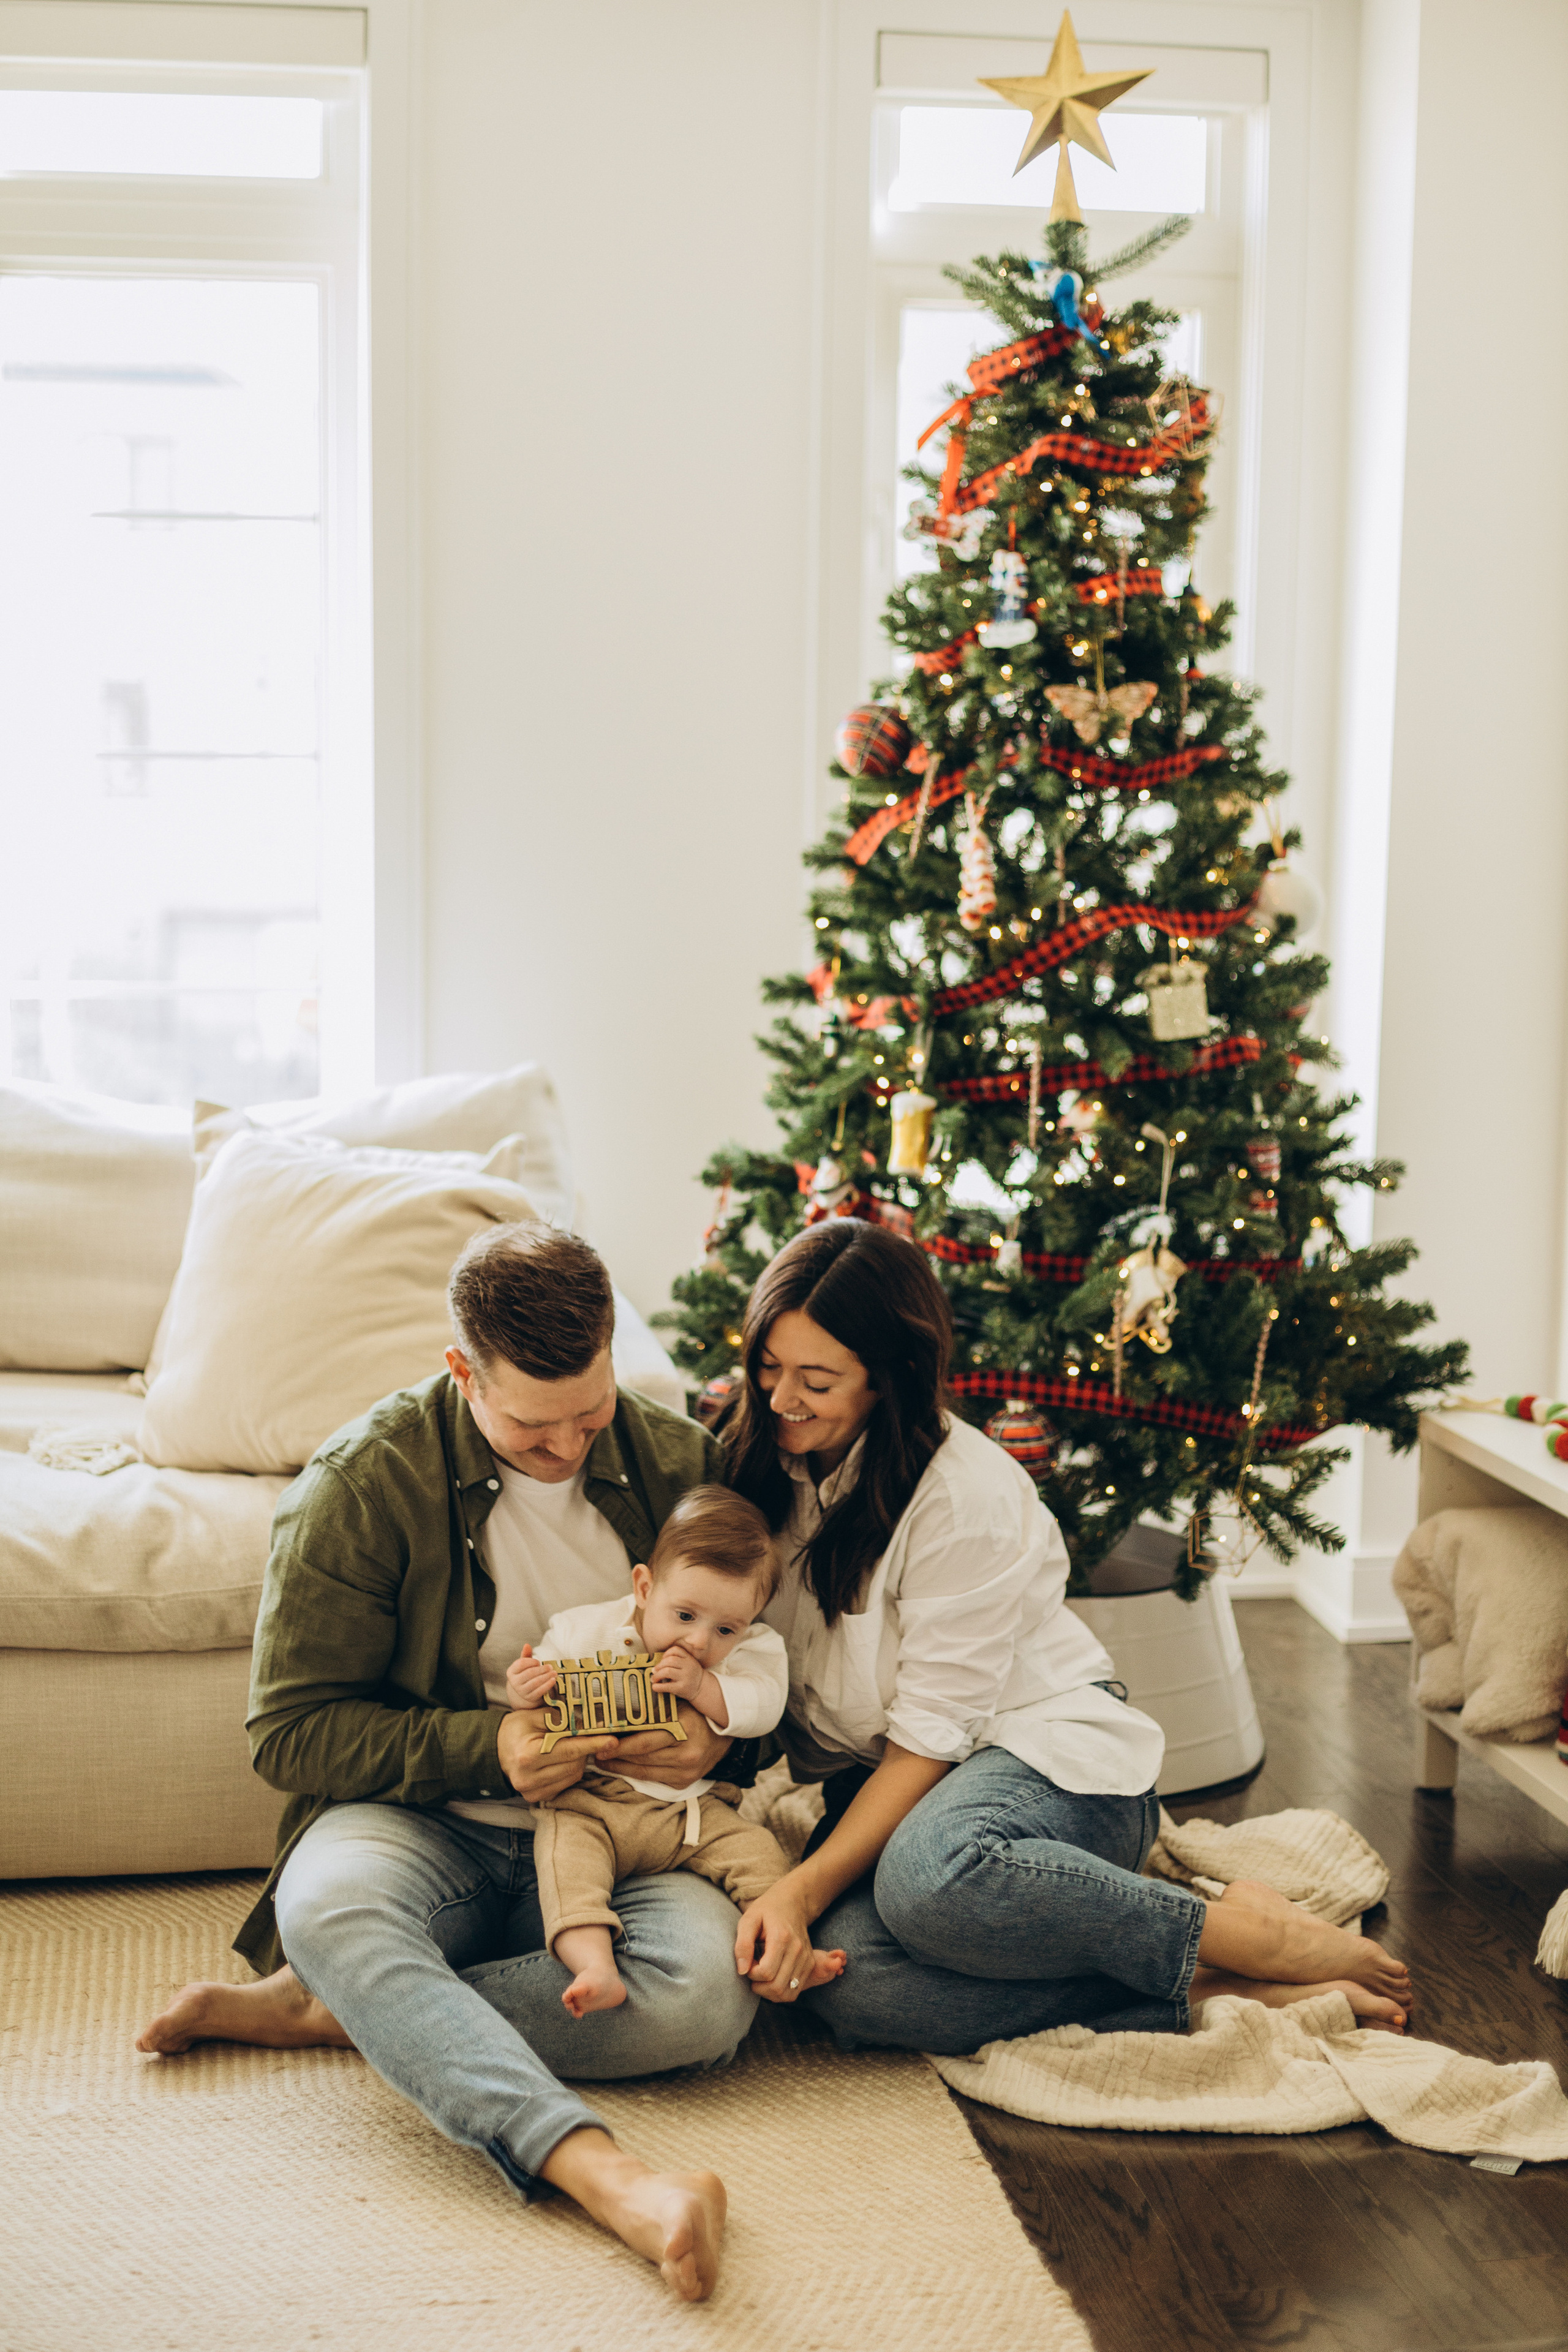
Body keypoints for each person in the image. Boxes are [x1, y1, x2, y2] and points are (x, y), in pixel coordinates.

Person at [137, 1224, 753, 2302]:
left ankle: (351, 2005)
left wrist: (712, 1731)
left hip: (625, 1834)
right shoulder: (362, 1484)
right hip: (424, 1821)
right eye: (532, 1422)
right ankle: (605, 2178)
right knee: (330, 1910)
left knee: (703, 1999)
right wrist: (491, 1744)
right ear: (462, 1370)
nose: (568, 1447)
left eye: (592, 1409)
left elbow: (763, 1673)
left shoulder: (679, 1468)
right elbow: (290, 1732)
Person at [716, 1218, 1414, 2043]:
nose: (781, 1398)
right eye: (768, 1367)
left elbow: (930, 1740)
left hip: (1049, 1767)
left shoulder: (963, 1498)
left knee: (927, 1883)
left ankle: (1245, 1936)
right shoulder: (762, 1459)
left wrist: (798, 1890)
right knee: (850, 1985)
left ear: (889, 1379)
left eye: (816, 1379)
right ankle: (1208, 1985)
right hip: (901, 1793)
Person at [509, 1483, 843, 2019]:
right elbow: (547, 1682)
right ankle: (595, 1966)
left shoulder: (754, 1650)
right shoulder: (586, 1628)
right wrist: (526, 1688)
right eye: (684, 1616)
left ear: (753, 1618)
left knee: (760, 1857)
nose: (700, 1642)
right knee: (565, 1866)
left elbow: (763, 1706)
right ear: (644, 1587)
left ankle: (785, 1950)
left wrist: (703, 1690)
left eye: (726, 1628)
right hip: (593, 1803)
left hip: (693, 1813)